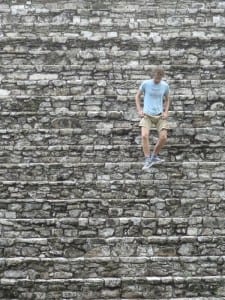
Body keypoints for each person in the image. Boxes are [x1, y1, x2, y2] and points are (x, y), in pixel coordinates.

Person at [135, 67, 171, 170]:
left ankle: (154, 156)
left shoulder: (165, 86)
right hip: (147, 115)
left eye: (159, 78)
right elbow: (137, 96)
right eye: (156, 78)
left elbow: (167, 99)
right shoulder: (146, 84)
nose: (157, 80)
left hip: (160, 115)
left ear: (162, 77)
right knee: (144, 135)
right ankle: (147, 159)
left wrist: (166, 112)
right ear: (153, 75)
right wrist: (139, 110)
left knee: (163, 137)